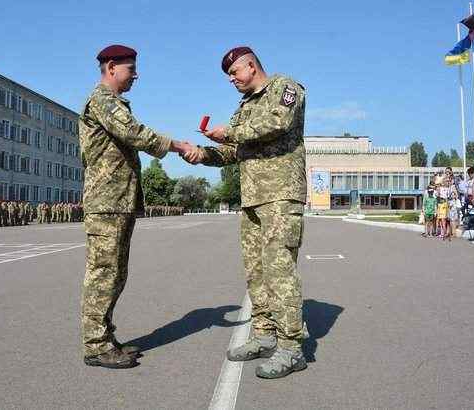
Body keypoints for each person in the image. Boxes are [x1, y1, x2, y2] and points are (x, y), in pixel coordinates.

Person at [184, 46, 307, 379]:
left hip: (281, 195)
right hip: (252, 199)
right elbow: (233, 151)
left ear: (251, 66)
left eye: (234, 73)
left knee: (280, 271)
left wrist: (231, 132)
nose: (231, 80)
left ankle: (291, 347)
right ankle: (265, 335)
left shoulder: (285, 88)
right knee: (257, 272)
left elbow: (278, 123)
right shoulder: (244, 108)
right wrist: (203, 154)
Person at [78, 44, 196, 369]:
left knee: (116, 273)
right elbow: (135, 134)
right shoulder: (102, 100)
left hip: (119, 202)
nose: (136, 75)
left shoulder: (114, 103)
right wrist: (178, 145)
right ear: (111, 67)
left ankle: (105, 337)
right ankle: (95, 344)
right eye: (131, 69)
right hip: (107, 203)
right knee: (103, 273)